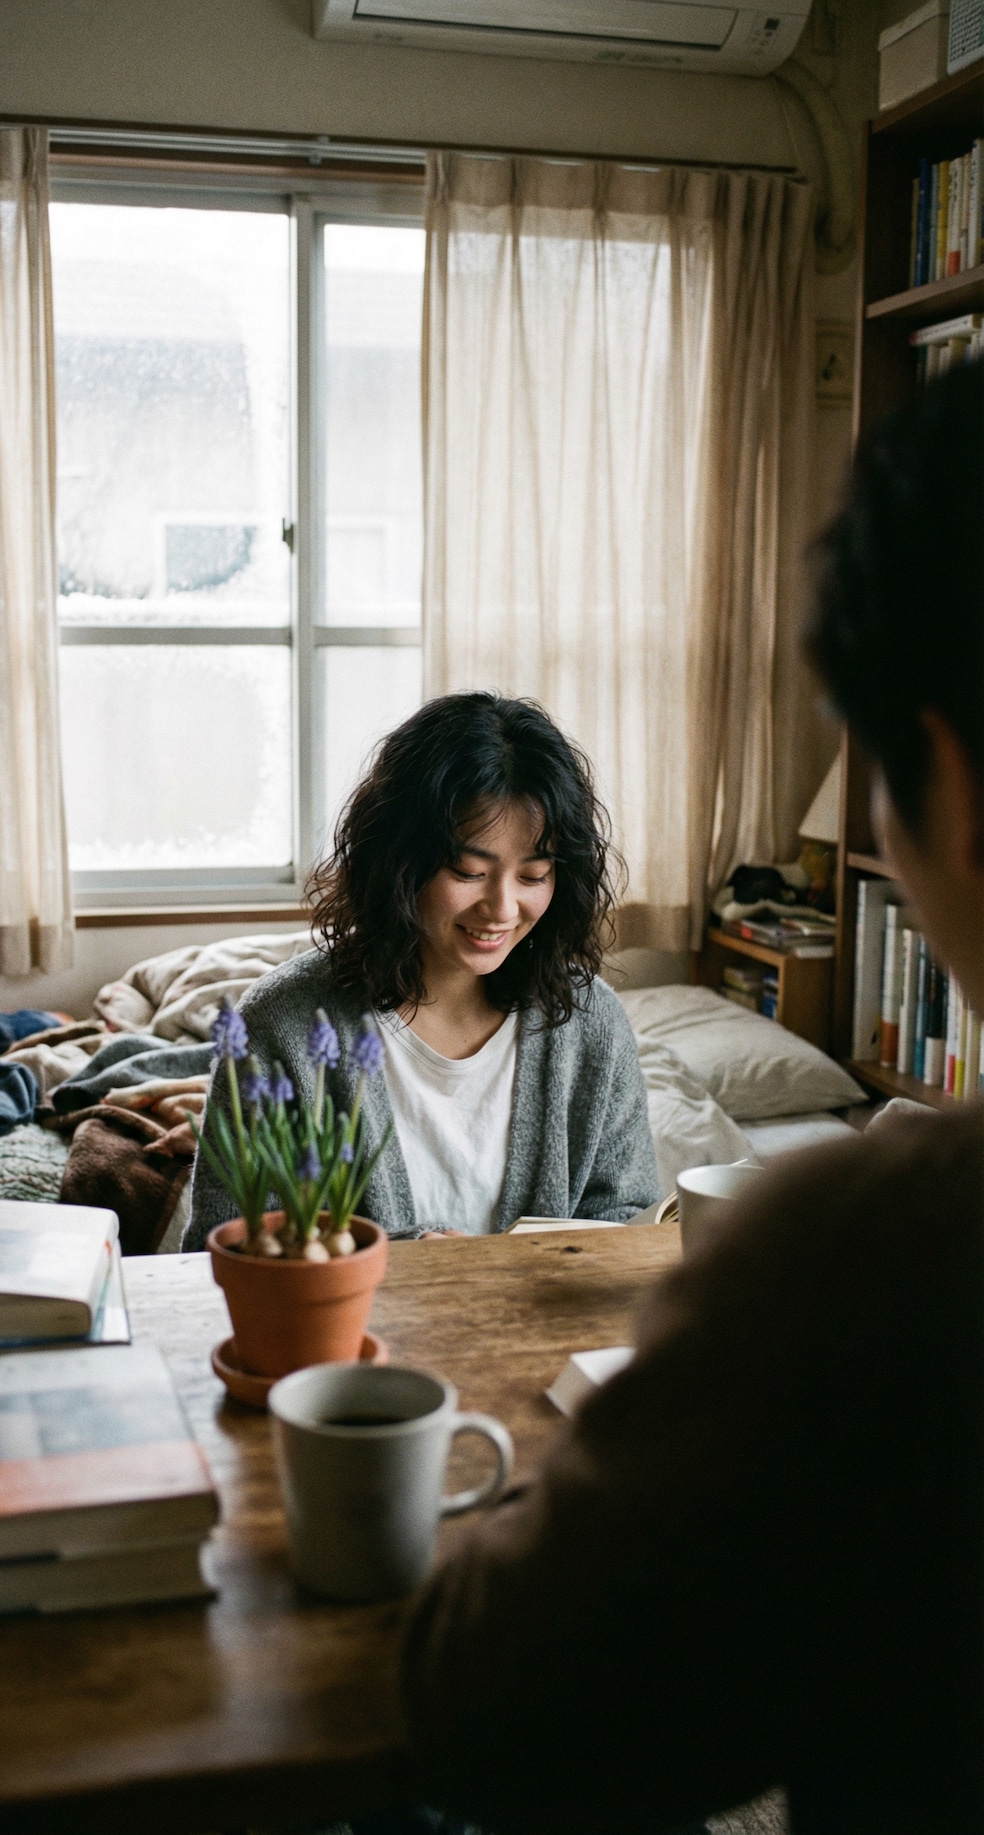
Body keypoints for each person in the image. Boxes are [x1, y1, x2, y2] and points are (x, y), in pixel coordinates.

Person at [399, 366, 984, 1834]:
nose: (502, 903)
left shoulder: (874, 1247)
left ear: (950, 789)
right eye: (471, 863)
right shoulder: (293, 1028)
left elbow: (519, 1701)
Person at [185, 693, 659, 1249]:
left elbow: (626, 1218)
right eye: (468, 871)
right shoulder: (280, 1024)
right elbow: (223, 1250)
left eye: (533, 876)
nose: (502, 909)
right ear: (398, 864)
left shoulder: (591, 1019)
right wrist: (420, 1258)